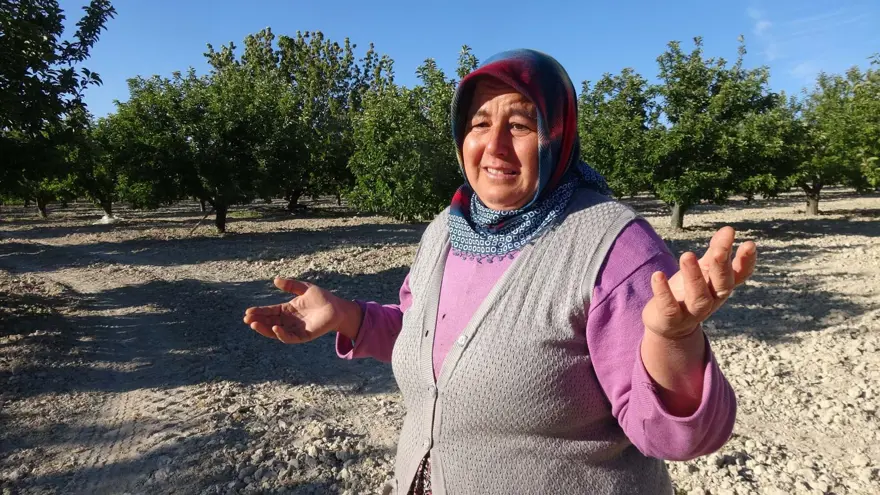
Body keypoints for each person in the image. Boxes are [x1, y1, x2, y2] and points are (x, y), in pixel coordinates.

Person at [243, 49, 756, 495]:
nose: (494, 146)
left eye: (519, 124)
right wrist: (348, 316)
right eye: (479, 123)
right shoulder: (447, 230)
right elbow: (437, 338)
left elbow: (677, 437)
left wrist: (674, 340)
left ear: (557, 133)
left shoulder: (614, 247)